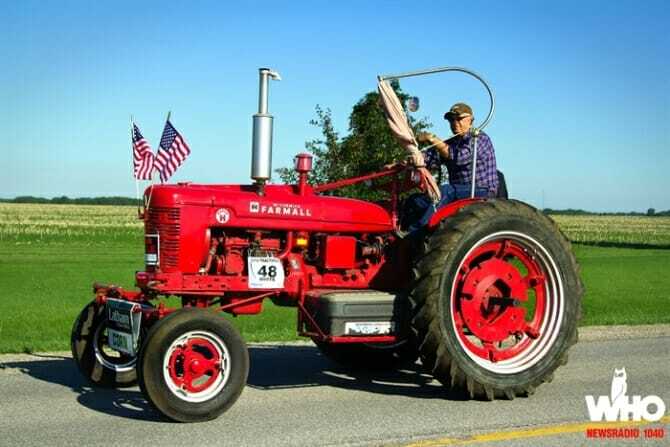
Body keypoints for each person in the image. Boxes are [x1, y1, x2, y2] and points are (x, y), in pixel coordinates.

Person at [404, 102, 499, 231]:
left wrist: (432, 138)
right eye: (451, 120)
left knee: (445, 191)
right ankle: (399, 231)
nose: (454, 123)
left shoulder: (479, 139)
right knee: (415, 200)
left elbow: (458, 157)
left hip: (481, 191)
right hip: (459, 191)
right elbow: (429, 159)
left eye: (459, 119)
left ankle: (417, 233)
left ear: (470, 120)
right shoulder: (452, 142)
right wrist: (409, 159)